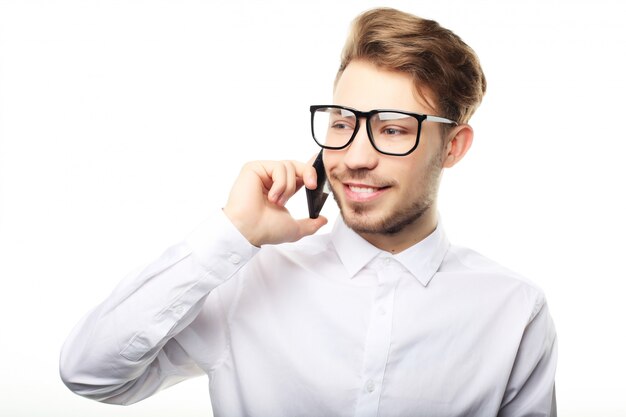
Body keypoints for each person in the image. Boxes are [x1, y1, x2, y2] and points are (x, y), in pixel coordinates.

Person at [60, 7, 557, 417]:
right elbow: (91, 375)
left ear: (453, 146)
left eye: (393, 129)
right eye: (342, 123)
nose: (356, 157)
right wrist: (231, 234)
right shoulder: (248, 278)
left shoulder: (512, 310)